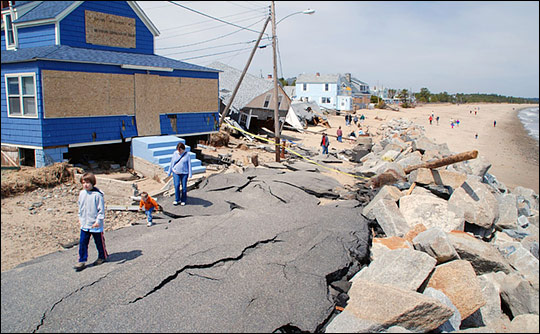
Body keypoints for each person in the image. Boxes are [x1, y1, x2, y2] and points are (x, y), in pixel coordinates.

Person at [75, 172, 108, 271]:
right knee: (83, 242)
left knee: (99, 242)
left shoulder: (97, 195)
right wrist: (80, 219)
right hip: (85, 224)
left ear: (93, 183)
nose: (86, 185)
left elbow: (101, 210)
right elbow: (80, 208)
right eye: (84, 182)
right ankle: (82, 260)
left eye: (88, 183)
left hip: (95, 224)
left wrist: (98, 221)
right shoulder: (82, 193)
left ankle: (102, 256)